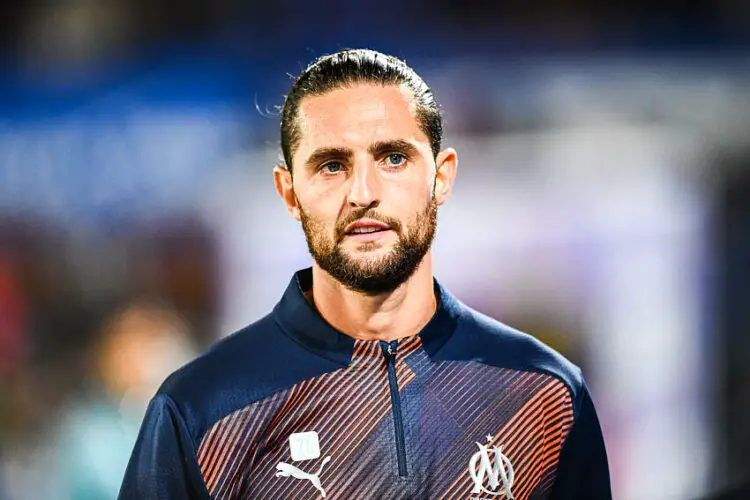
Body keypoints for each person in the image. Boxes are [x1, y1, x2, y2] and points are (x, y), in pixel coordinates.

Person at [119, 49, 611, 499]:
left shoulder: (545, 394)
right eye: (332, 166)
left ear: (440, 178)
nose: (363, 192)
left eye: (393, 158)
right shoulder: (201, 409)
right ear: (289, 193)